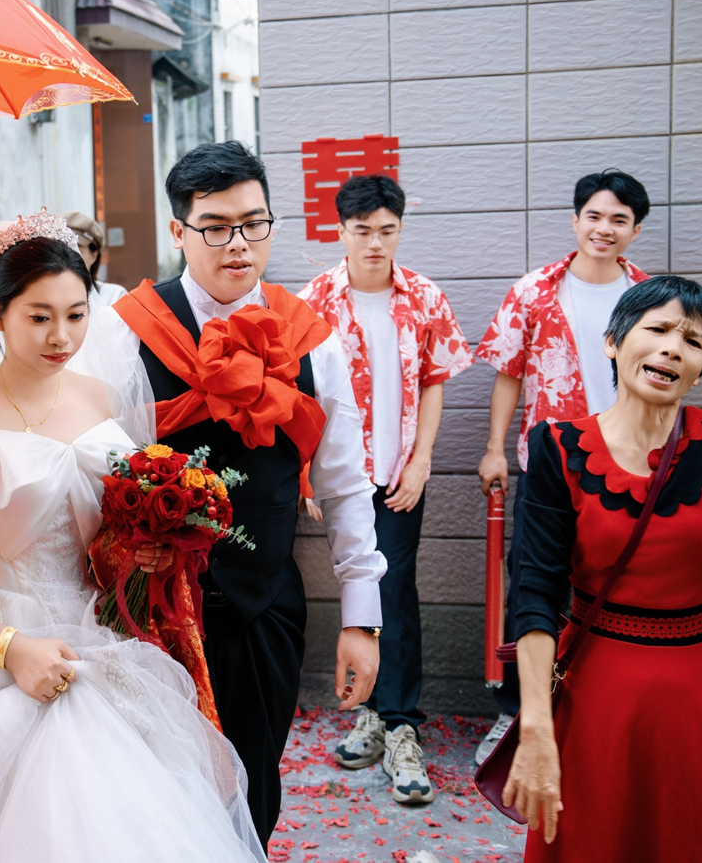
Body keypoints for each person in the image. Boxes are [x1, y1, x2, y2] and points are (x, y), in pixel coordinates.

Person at [0, 211, 268, 862]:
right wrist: (8, 647)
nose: (61, 336)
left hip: (96, 637)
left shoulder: (97, 398)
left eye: (75, 314)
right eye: (39, 317)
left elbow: (97, 531)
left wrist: (138, 552)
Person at [103, 141, 387, 846]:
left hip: (264, 607)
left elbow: (345, 484)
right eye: (216, 226)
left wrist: (362, 618)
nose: (239, 243)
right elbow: (91, 474)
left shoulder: (311, 338)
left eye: (254, 223)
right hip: (149, 613)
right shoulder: (127, 333)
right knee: (152, 800)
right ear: (178, 230)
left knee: (253, 792)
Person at [502, 276, 702, 861]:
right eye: (657, 329)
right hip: (598, 701)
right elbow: (535, 593)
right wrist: (535, 729)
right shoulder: (556, 447)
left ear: (700, 368)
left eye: (693, 340)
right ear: (613, 342)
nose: (672, 348)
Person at [298, 175, 472, 805]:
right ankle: (371, 715)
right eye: (362, 230)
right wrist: (305, 470)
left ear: (401, 230)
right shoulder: (313, 300)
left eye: (387, 231)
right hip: (340, 476)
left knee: (394, 591)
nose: (375, 242)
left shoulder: (424, 296)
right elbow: (297, 393)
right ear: (340, 230)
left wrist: (422, 460)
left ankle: (400, 726)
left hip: (398, 475)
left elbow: (434, 380)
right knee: (357, 589)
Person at [472, 169, 651, 763]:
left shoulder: (651, 296)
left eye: (619, 220)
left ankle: (602, 712)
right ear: (575, 221)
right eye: (594, 216)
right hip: (548, 464)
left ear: (635, 230)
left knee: (616, 587)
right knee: (534, 587)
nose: (604, 228)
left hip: (627, 466)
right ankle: (519, 713)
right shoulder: (535, 290)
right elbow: (509, 373)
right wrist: (495, 448)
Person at [63, 210, 127, 306]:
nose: (65, 255)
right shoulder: (42, 295)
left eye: (76, 250)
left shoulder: (114, 297)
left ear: (93, 256)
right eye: (60, 249)